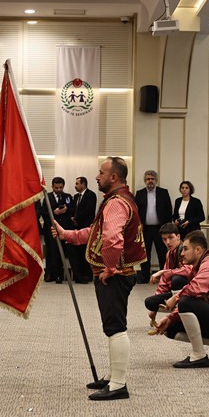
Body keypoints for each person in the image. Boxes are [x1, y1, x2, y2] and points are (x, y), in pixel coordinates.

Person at [53, 157, 147, 401]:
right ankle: (113, 375)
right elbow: (96, 233)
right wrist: (67, 235)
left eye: (101, 173)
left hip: (115, 275)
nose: (97, 177)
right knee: (112, 325)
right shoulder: (121, 199)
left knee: (115, 327)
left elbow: (112, 239)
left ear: (113, 177)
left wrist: (110, 268)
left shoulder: (115, 203)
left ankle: (118, 384)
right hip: (121, 272)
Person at [154, 230, 209, 367]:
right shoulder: (198, 266)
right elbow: (197, 299)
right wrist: (170, 318)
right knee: (170, 328)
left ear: (197, 250)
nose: (182, 253)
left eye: (185, 249)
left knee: (185, 301)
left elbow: (195, 289)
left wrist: (176, 298)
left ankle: (198, 356)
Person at [144, 223, 189, 325]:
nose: (168, 242)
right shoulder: (169, 253)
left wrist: (164, 272)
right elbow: (163, 281)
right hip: (175, 292)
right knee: (150, 302)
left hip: (191, 291)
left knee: (177, 279)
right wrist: (154, 311)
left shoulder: (185, 249)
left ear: (178, 237)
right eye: (164, 239)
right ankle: (175, 310)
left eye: (171, 237)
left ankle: (180, 314)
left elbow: (189, 270)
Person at [133, 170, 172, 283]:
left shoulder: (163, 192)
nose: (150, 181)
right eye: (148, 179)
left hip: (160, 229)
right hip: (145, 229)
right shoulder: (139, 193)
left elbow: (169, 210)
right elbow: (135, 212)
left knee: (162, 252)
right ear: (145, 181)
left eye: (152, 179)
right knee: (145, 253)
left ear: (156, 180)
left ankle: (163, 276)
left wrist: (167, 228)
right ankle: (145, 276)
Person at [42, 177, 73, 283]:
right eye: (56, 188)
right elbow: (43, 212)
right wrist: (54, 212)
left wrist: (66, 210)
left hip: (64, 229)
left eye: (60, 187)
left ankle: (59, 275)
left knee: (61, 253)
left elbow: (72, 210)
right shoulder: (47, 197)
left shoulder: (67, 197)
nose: (59, 189)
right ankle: (49, 275)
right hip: (50, 229)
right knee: (51, 252)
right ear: (52, 186)